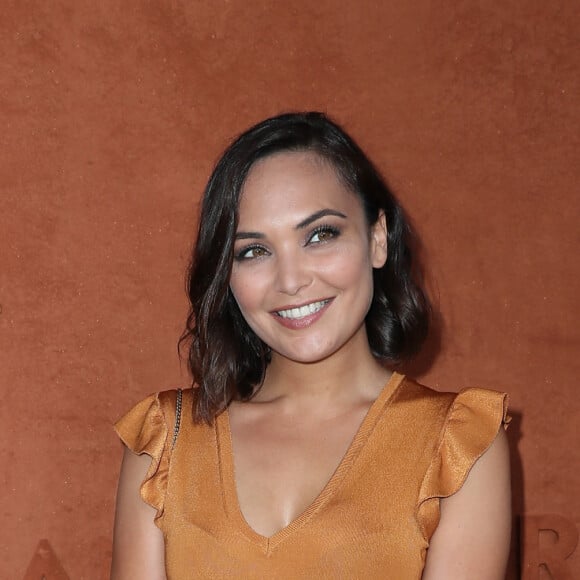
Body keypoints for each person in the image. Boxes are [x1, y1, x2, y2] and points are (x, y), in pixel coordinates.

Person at [111, 112, 511, 579]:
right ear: (227, 274)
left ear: (377, 238)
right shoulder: (165, 442)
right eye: (254, 251)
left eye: (320, 235)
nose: (292, 280)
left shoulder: (457, 444)